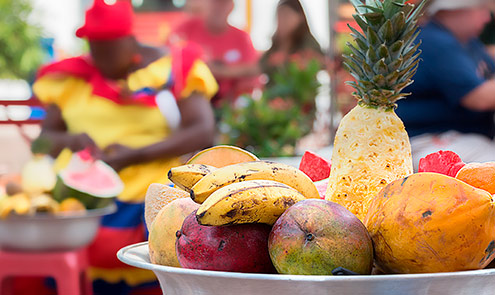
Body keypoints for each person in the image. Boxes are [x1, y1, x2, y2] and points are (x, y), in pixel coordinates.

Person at [32, 0, 218, 293]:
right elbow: (43, 141)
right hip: (78, 200)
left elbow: (203, 130)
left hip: (152, 191)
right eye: (94, 47)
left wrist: (135, 156)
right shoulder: (68, 77)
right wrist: (71, 140)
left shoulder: (174, 69)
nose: (101, 57)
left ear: (130, 40)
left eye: (109, 48)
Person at [395, 0, 495, 169]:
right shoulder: (436, 41)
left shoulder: (465, 42)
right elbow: (479, 98)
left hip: (459, 139)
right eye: (482, 9)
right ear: (456, 10)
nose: (487, 18)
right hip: (430, 141)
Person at [172, 0, 259, 106]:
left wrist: (218, 71)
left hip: (230, 105)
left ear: (231, 6)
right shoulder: (187, 28)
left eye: (223, 3)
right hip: (190, 102)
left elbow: (254, 68)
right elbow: (168, 58)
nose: (218, 8)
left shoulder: (241, 38)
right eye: (215, 2)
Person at [260, 0, 323, 84]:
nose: (282, 20)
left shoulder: (307, 41)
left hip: (300, 95)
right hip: (274, 95)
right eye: (280, 16)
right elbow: (259, 66)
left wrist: (287, 59)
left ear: (300, 17)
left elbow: (319, 62)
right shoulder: (277, 42)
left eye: (286, 15)